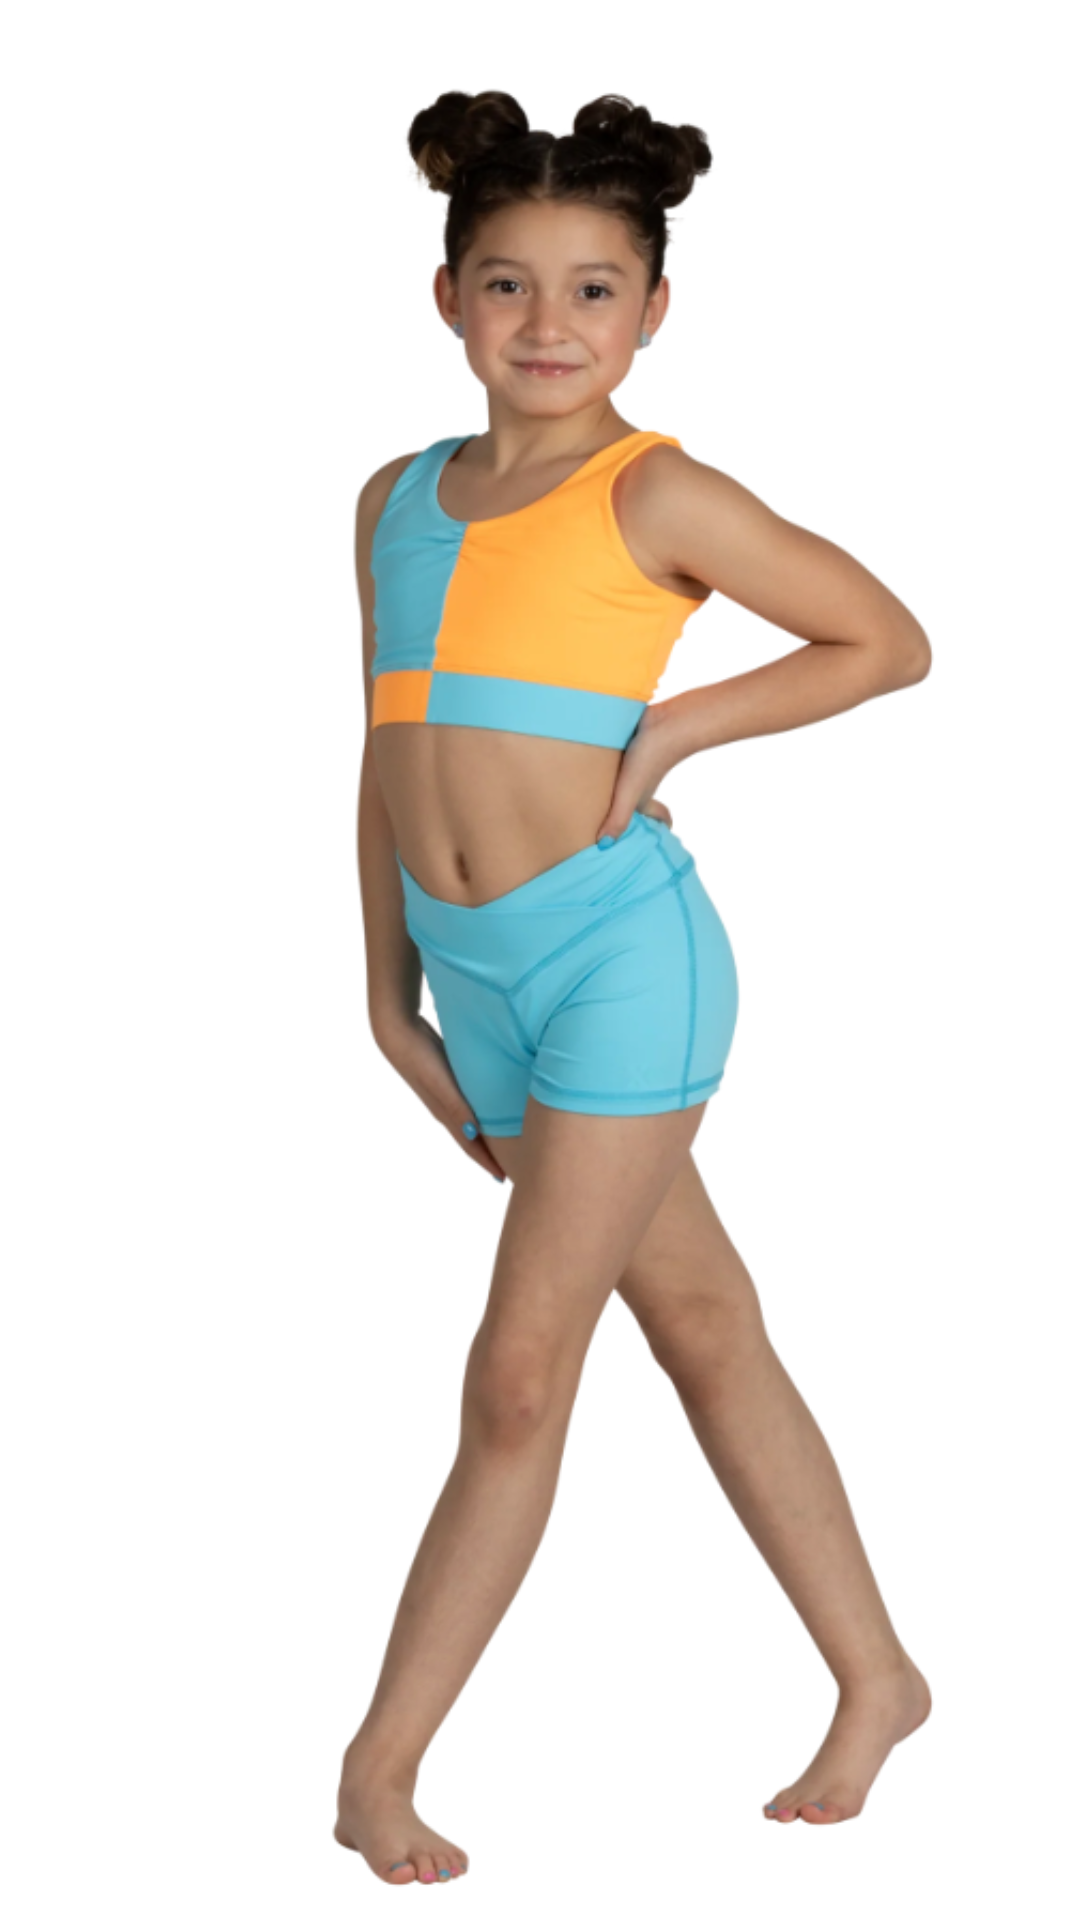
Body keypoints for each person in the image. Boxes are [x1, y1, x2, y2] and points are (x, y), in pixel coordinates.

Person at [335, 89, 933, 1887]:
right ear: (448, 297)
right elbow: (384, 753)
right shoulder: (391, 501)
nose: (549, 323)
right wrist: (383, 995)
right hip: (473, 979)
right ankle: (882, 1678)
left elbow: (885, 640)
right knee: (706, 1324)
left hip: (617, 962)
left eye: (594, 289)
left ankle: (376, 1767)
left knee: (520, 1376)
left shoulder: (654, 490)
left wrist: (671, 728)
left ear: (653, 311)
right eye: (508, 283)